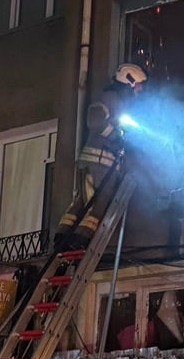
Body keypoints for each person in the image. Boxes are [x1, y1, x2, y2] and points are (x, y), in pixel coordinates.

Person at [55, 63, 147, 252]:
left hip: (95, 161)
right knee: (98, 203)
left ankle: (62, 236)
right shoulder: (111, 97)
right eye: (138, 84)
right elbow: (95, 119)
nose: (141, 89)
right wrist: (117, 137)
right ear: (129, 82)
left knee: (81, 202)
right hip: (100, 162)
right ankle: (81, 239)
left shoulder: (120, 102)